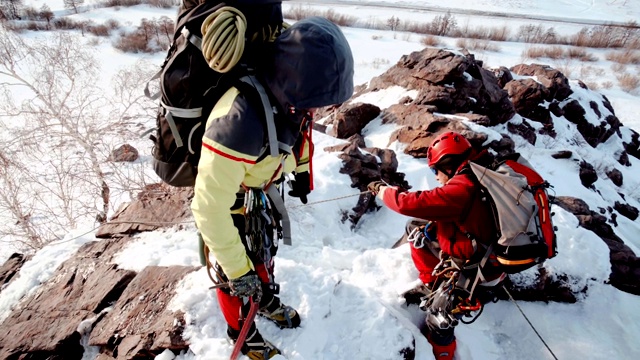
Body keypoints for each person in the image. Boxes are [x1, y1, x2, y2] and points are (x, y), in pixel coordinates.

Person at [191, 15, 354, 360]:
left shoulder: (291, 97)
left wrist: (301, 174)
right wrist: (239, 272)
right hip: (229, 206)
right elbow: (209, 208)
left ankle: (262, 299)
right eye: (319, 101)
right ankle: (243, 333)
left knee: (263, 254)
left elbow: (299, 133)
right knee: (235, 273)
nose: (319, 109)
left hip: (259, 194)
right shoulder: (237, 123)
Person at [368, 131, 497, 360]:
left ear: (448, 165)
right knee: (418, 228)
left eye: (435, 169)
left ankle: (443, 353)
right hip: (488, 254)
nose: (436, 176)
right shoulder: (484, 173)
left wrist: (381, 190)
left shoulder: (463, 187)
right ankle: (432, 283)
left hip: (478, 268)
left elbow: (408, 203)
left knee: (439, 317)